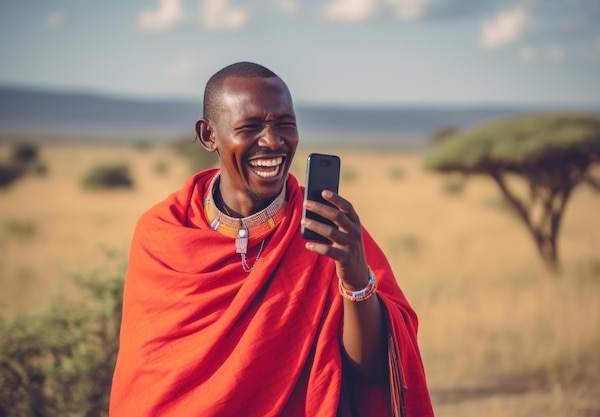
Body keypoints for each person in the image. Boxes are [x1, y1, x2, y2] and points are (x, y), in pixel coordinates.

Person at [109, 62, 433, 417]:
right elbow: (148, 384)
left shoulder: (328, 228)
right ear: (208, 135)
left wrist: (355, 277)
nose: (273, 141)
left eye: (285, 125)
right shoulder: (163, 233)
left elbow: (372, 371)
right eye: (250, 127)